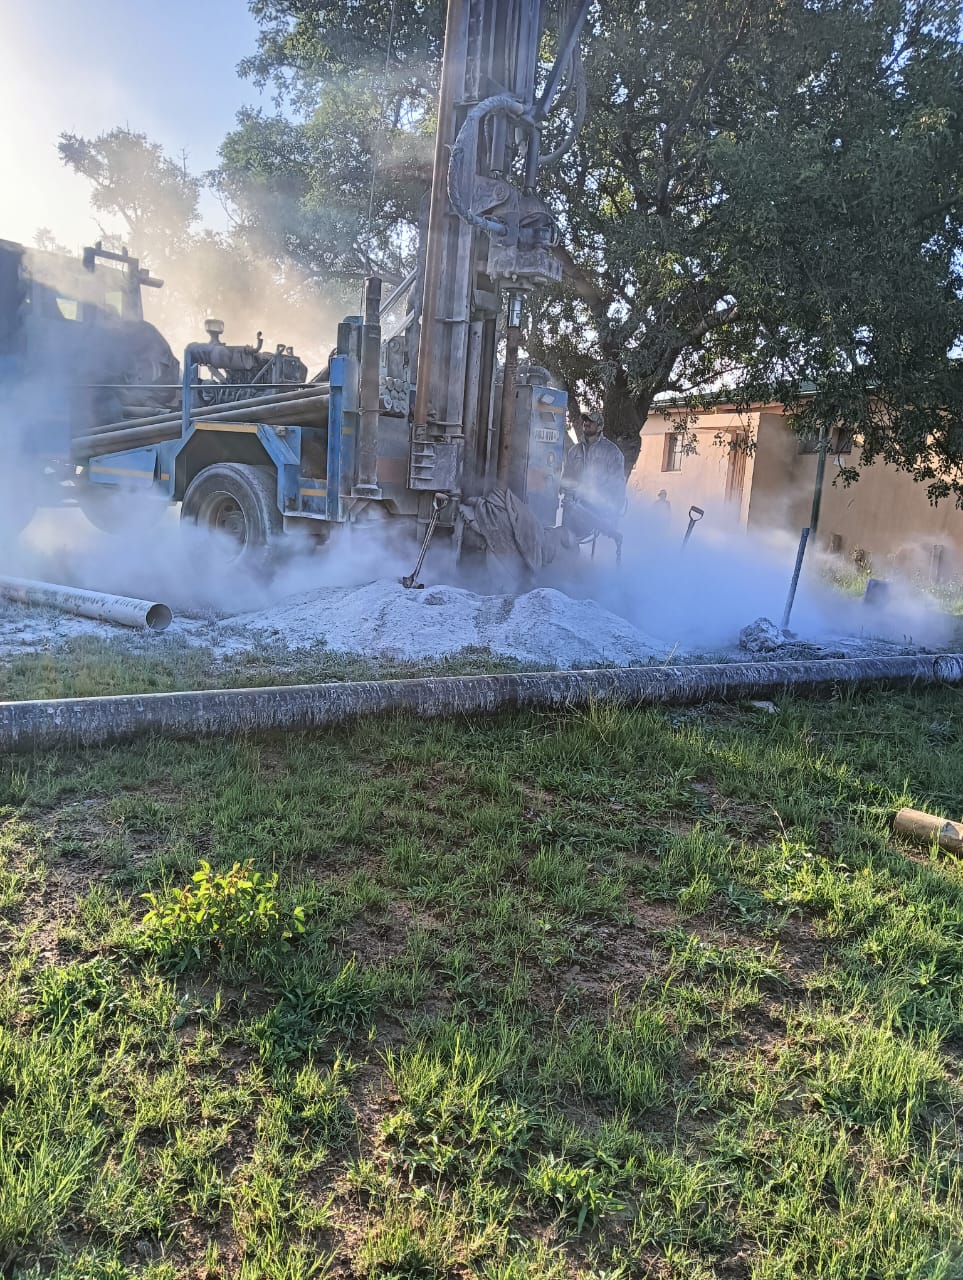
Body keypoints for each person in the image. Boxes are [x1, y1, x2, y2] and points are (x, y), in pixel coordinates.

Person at [559, 408, 626, 541]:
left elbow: (618, 487)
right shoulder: (574, 451)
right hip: (573, 513)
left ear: (600, 426)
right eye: (585, 420)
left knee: (595, 557)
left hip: (599, 516)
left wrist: (612, 514)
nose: (586, 423)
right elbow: (566, 480)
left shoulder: (612, 453)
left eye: (591, 421)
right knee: (568, 549)